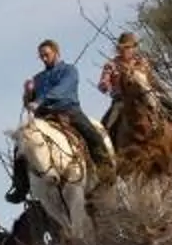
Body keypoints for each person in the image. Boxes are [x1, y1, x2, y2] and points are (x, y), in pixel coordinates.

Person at [22, 38, 114, 168]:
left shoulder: (69, 70)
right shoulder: (38, 78)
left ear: (56, 53)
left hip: (69, 111)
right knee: (22, 141)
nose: (44, 59)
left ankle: (106, 169)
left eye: (46, 55)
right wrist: (28, 93)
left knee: (93, 136)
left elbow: (61, 90)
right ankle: (20, 180)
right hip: (43, 116)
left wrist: (39, 101)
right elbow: (29, 104)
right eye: (41, 56)